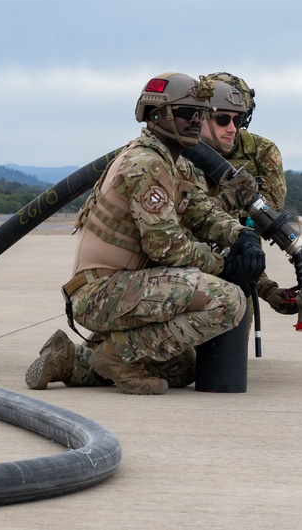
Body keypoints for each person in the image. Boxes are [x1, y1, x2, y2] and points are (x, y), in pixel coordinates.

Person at [25, 72, 265, 395]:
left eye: (201, 114)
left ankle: (69, 360)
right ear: (157, 116)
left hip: (123, 288)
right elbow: (167, 247)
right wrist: (225, 266)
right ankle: (116, 354)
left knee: (183, 367)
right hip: (99, 293)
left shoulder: (174, 164)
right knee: (229, 301)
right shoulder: (144, 165)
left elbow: (204, 214)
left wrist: (240, 237)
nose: (196, 120)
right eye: (185, 113)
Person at [195, 72, 297, 316]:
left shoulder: (261, 151)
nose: (231, 127)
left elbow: (268, 211)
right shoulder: (176, 155)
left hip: (239, 257)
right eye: (222, 118)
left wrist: (270, 291)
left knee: (234, 330)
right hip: (187, 263)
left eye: (237, 118)